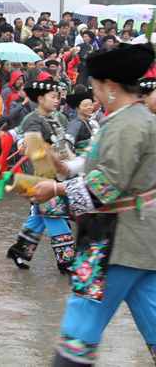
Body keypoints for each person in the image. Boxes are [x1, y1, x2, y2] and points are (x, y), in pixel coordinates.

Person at [26, 43, 156, 366]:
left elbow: (106, 186)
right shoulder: (130, 118)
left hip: (114, 238)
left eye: (96, 87)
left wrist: (56, 189)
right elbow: (101, 162)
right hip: (142, 240)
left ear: (111, 87)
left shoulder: (127, 125)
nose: (95, 95)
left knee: (80, 322)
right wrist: (66, 167)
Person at [6, 77, 74, 273]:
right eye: (53, 97)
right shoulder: (32, 120)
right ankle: (66, 261)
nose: (57, 100)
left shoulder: (60, 117)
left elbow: (65, 145)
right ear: (41, 98)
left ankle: (19, 251)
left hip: (61, 172)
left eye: (58, 97)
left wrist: (72, 165)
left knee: (39, 216)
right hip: (43, 174)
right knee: (54, 214)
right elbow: (32, 148)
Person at [65, 86, 98, 156]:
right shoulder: (75, 124)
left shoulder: (93, 122)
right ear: (77, 108)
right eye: (85, 105)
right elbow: (67, 144)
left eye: (91, 105)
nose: (89, 107)